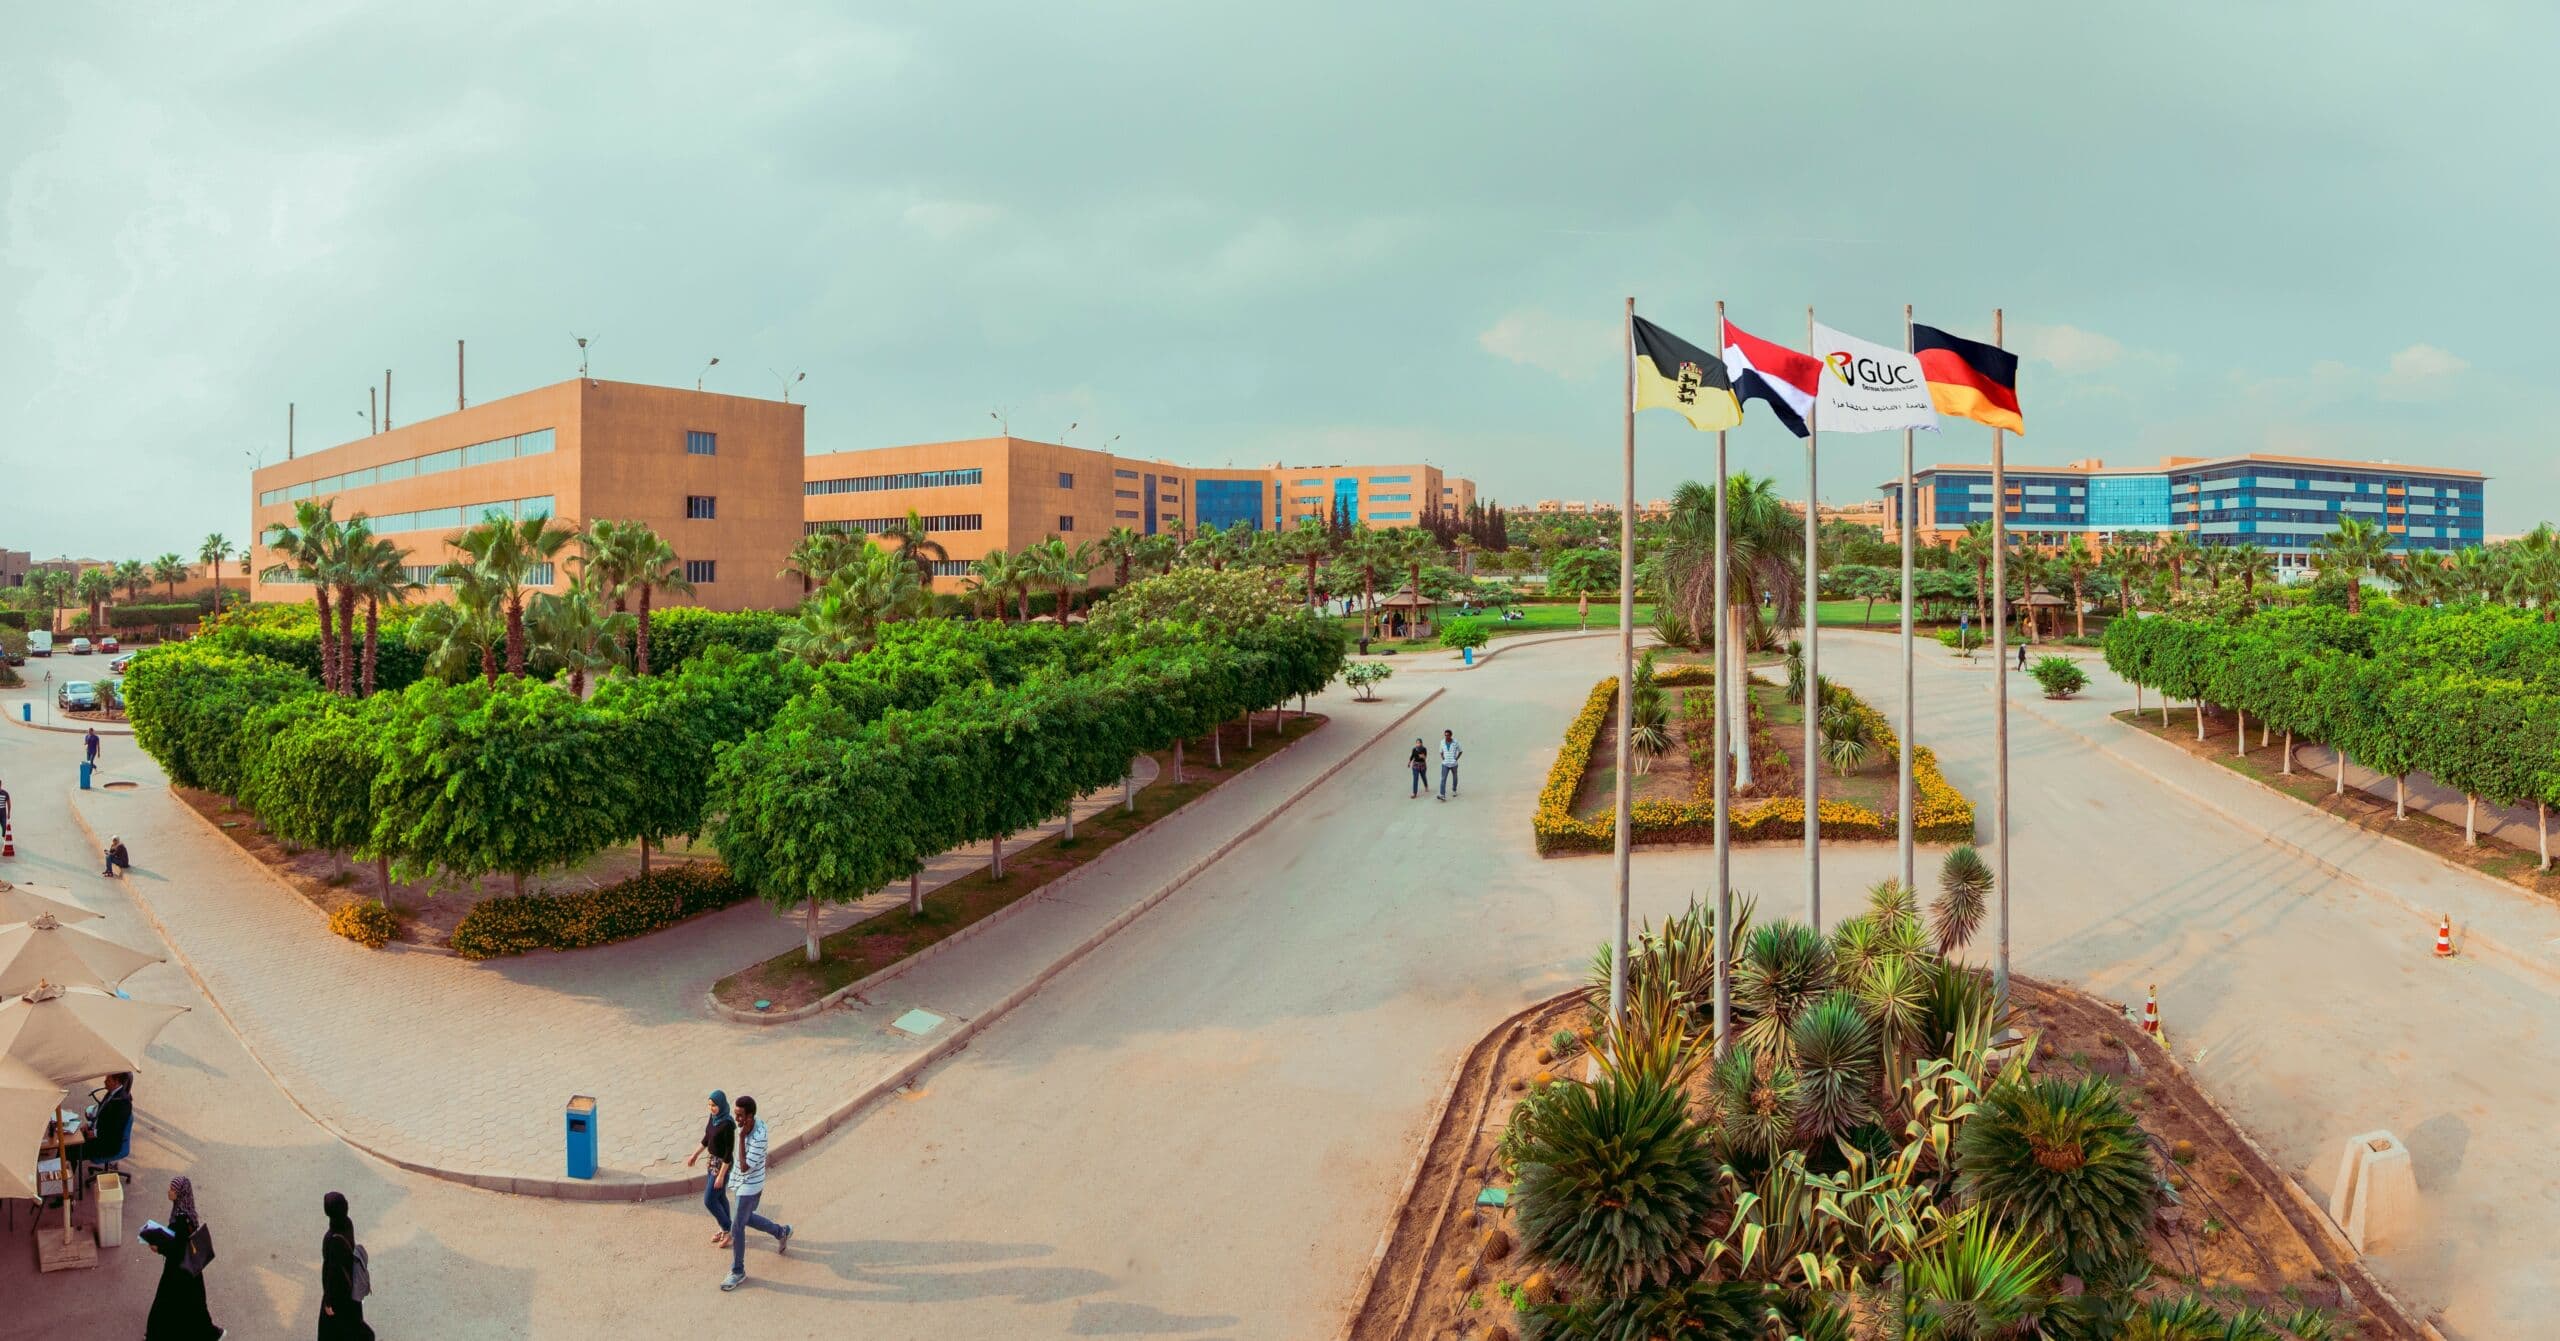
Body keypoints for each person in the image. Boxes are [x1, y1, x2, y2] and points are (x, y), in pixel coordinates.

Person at [721, 1095, 792, 1291]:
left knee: (737, 1227)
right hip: (741, 1183)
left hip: (750, 1187)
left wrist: (742, 1138)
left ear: (751, 1116)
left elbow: (744, 1166)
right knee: (746, 1219)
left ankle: (737, 1271)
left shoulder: (758, 1136)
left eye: (740, 1115)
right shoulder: (747, 1125)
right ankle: (781, 1232)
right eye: (735, 1114)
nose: (737, 1119)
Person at [140, 1175, 222, 1340]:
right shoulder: (186, 1211)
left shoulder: (181, 1219)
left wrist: (159, 1248)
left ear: (180, 1193)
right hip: (189, 1270)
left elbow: (178, 1248)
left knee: (163, 1303)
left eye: (173, 1190)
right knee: (195, 1304)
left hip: (178, 1270)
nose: (169, 1192)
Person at [319, 1191, 373, 1340]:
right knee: (352, 1325)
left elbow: (332, 1273)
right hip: (351, 1284)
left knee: (334, 1332)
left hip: (339, 1294)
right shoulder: (348, 1223)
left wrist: (329, 1301)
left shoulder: (332, 1238)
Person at [686, 1089, 737, 1246]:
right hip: (712, 1162)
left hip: (722, 1165)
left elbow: (728, 1153)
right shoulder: (713, 1118)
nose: (711, 1108)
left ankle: (727, 1229)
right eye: (709, 1105)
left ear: (721, 1104)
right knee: (720, 1197)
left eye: (714, 1105)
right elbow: (707, 1138)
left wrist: (721, 1176)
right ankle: (726, 1229)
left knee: (709, 1200)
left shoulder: (728, 1124)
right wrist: (695, 1155)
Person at [75, 1071, 132, 1174]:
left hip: (107, 1144)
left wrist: (95, 1133)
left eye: (108, 1080)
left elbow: (115, 1131)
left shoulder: (123, 1103)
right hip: (98, 1135)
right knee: (70, 1142)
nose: (104, 1082)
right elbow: (101, 1116)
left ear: (116, 1082)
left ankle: (63, 1184)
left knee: (70, 1151)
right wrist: (89, 1125)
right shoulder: (112, 1093)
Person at [1438, 729, 1463, 800]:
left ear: (1451, 735)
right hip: (1445, 764)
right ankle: (1442, 794)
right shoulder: (1442, 742)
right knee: (1443, 779)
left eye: (1448, 735)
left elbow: (1460, 751)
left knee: (1455, 777)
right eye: (1445, 735)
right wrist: (1443, 757)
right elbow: (1440, 751)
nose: (1446, 736)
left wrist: (1456, 758)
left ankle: (1454, 790)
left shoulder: (1455, 742)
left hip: (1453, 764)